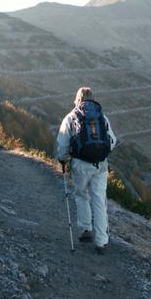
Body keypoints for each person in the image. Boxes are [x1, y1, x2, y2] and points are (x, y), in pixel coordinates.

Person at [55, 87, 116, 254]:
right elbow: (112, 141)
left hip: (80, 164)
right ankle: (101, 241)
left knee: (82, 195)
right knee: (99, 200)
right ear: (93, 98)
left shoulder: (71, 117)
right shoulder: (102, 117)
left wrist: (62, 158)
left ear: (77, 99)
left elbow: (63, 142)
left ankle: (85, 230)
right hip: (100, 165)